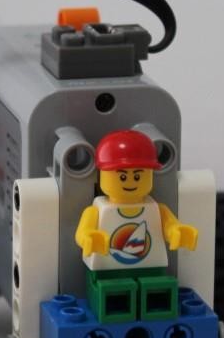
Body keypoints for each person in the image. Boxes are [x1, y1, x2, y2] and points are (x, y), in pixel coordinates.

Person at [74, 130, 198, 323]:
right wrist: (88, 237)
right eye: (122, 177)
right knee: (111, 294)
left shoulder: (156, 208)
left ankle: (156, 309)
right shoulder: (97, 210)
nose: (131, 182)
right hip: (105, 274)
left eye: (138, 176)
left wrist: (176, 231)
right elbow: (81, 233)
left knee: (155, 290)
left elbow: (169, 225)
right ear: (102, 175)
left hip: (153, 270)